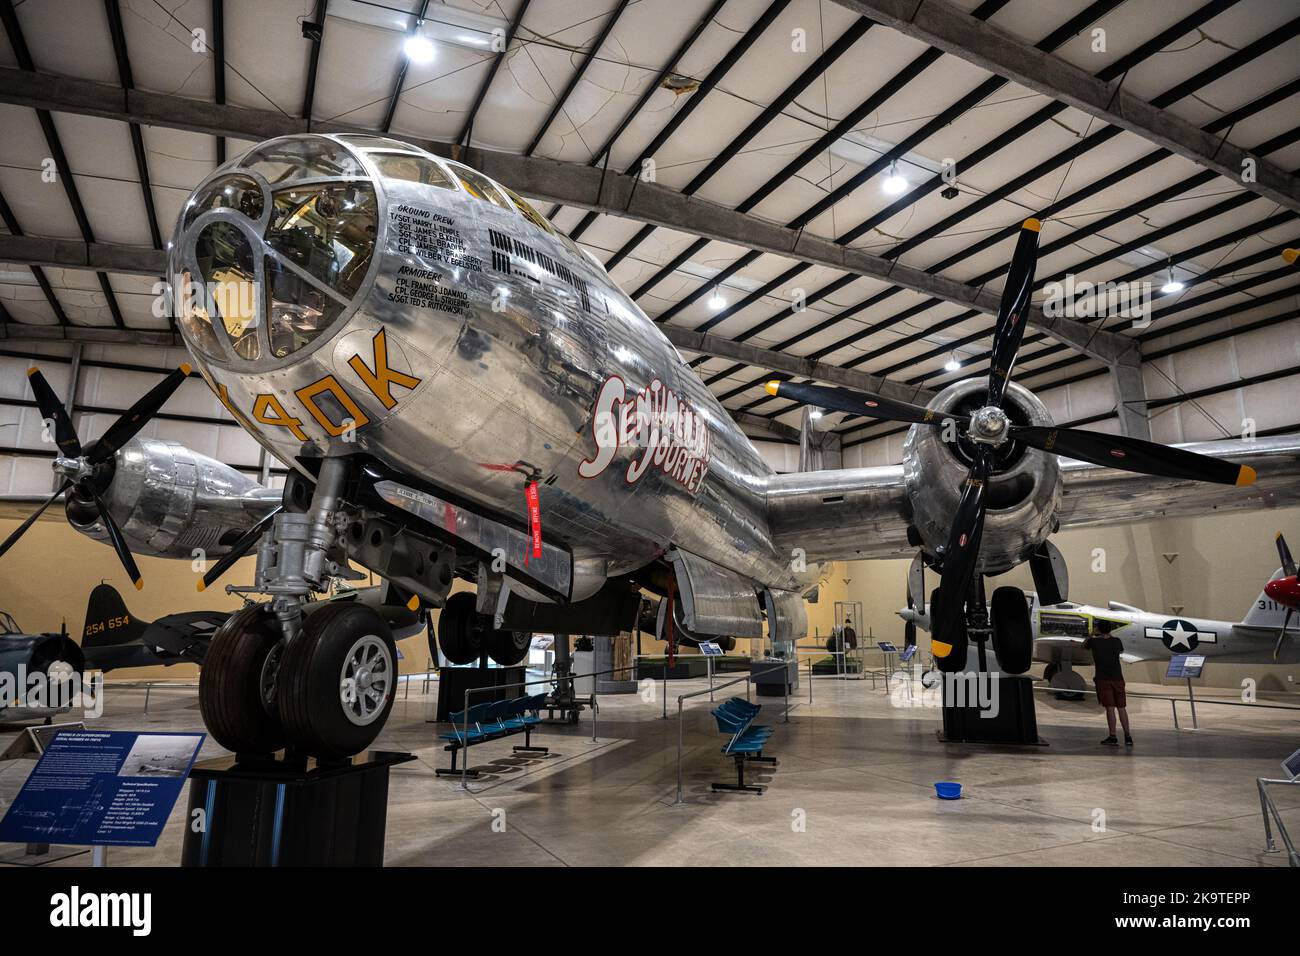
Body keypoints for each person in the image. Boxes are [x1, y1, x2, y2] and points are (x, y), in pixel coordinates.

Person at [1084, 630, 1132, 746]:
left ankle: (1113, 735)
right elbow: (1121, 650)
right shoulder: (1117, 641)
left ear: (1098, 630)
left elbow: (1084, 646)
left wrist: (1090, 634)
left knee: (1110, 708)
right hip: (1118, 678)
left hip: (1103, 678)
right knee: (1122, 708)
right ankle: (1128, 736)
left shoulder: (1094, 642)